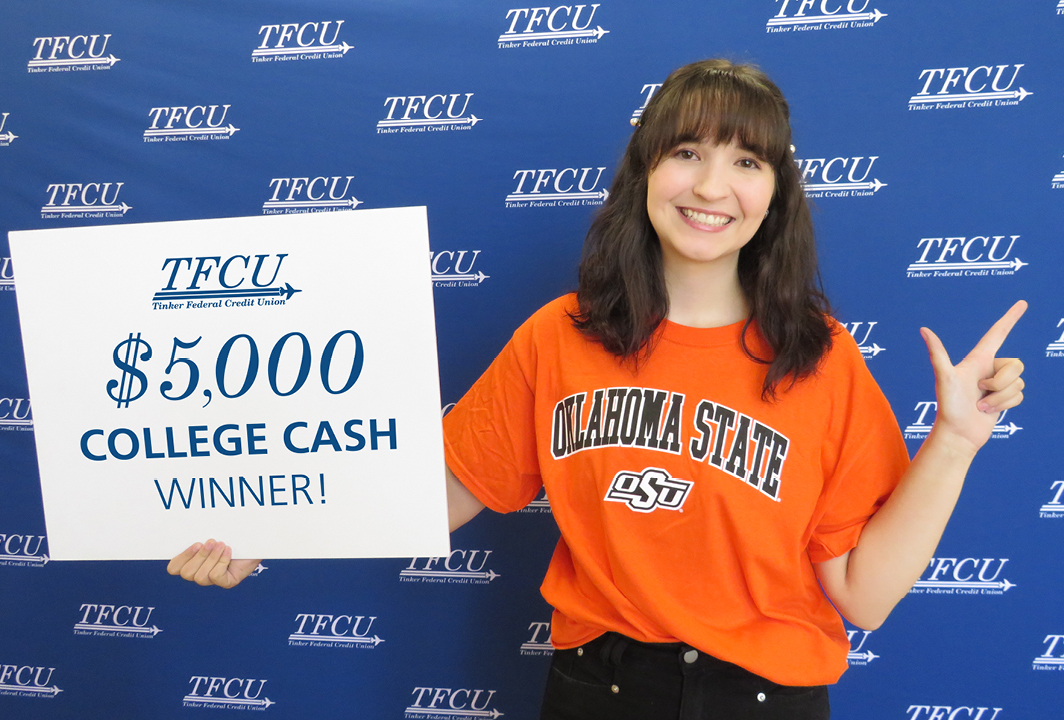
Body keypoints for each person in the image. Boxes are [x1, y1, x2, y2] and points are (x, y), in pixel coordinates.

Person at [169, 59, 1026, 719]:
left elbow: (864, 596)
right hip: (600, 690)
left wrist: (953, 441)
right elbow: (433, 497)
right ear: (647, 170)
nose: (713, 187)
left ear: (777, 192)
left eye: (747, 161)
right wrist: (258, 525)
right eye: (688, 152)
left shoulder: (821, 358)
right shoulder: (561, 336)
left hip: (765, 699)